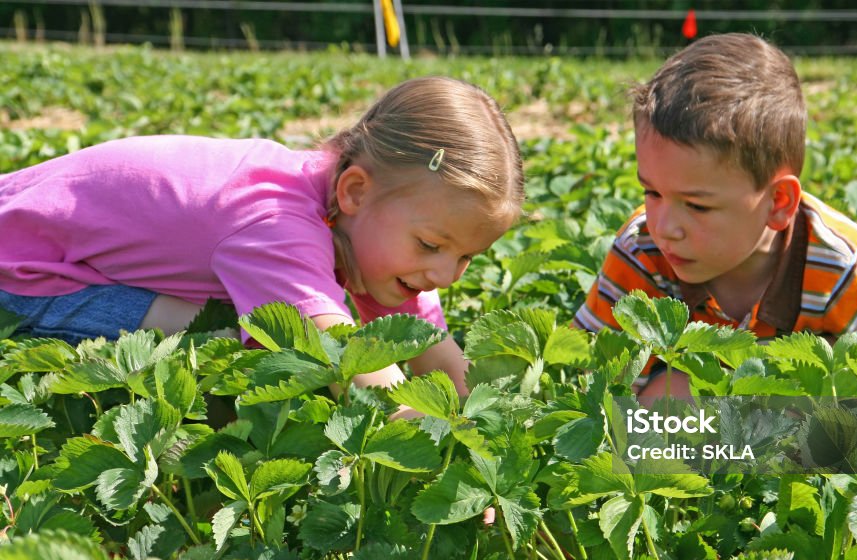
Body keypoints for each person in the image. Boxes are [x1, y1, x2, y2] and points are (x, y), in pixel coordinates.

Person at [0, 76, 524, 395]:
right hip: (23, 273)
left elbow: (437, 356)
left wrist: (479, 419)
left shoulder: (375, 219)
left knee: (268, 326)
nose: (443, 276)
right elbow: (343, 359)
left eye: (466, 257)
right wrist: (426, 434)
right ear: (355, 192)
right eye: (432, 246)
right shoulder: (280, 228)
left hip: (42, 236)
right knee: (246, 340)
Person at [573, 33, 857, 398]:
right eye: (652, 191)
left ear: (778, 203)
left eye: (698, 205)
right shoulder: (641, 249)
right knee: (677, 393)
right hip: (723, 453)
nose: (665, 226)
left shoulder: (839, 262)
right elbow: (589, 383)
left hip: (807, 445)